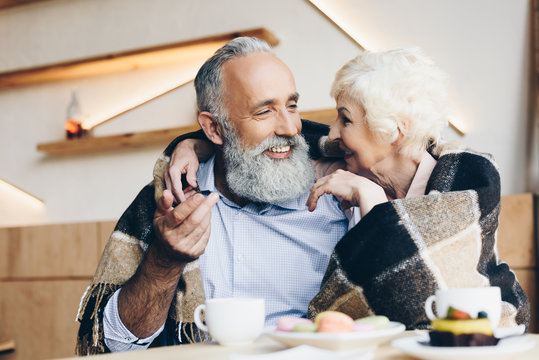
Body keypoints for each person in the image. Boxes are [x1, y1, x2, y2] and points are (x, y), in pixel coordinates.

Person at [168, 47, 530, 330]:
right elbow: (259, 143)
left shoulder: (463, 183)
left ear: (392, 131)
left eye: (346, 119)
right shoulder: (337, 169)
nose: (334, 133)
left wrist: (375, 206)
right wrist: (193, 144)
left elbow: (429, 297)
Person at [75, 37, 348, 355]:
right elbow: (110, 346)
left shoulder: (340, 194)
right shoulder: (168, 203)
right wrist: (164, 262)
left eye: (291, 105)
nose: (290, 127)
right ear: (214, 129)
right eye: (264, 111)